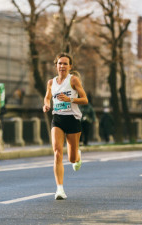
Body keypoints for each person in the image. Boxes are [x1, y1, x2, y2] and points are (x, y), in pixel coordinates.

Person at [43, 53, 88, 200]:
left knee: (72, 159)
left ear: (70, 66)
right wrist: (47, 104)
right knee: (57, 152)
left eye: (65, 64)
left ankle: (78, 156)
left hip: (73, 119)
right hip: (58, 118)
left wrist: (70, 99)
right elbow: (48, 96)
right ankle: (60, 189)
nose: (62, 66)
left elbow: (85, 100)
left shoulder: (73, 80)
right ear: (56, 65)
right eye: (60, 63)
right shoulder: (51, 82)